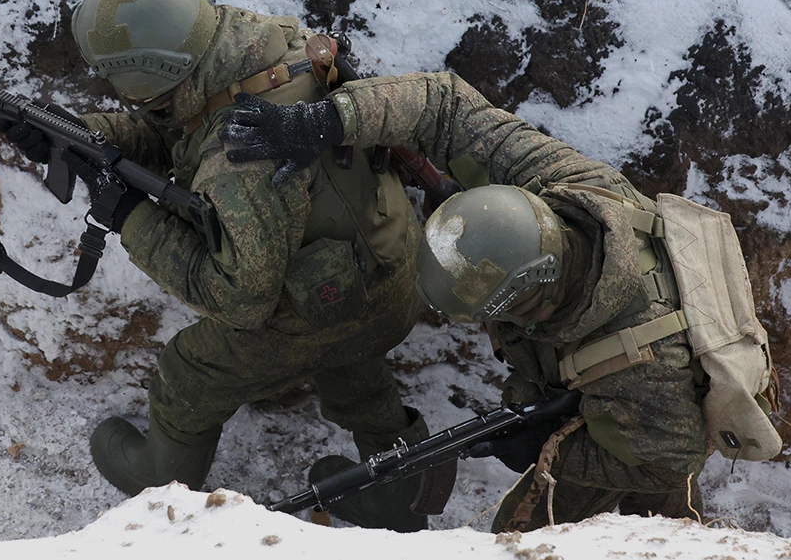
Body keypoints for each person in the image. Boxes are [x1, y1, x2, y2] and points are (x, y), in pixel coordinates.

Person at [0, 0, 433, 532]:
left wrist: (130, 216)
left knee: (188, 373)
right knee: (356, 370)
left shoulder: (239, 159)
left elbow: (242, 300)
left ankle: (159, 479)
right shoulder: (263, 50)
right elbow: (182, 130)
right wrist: (78, 134)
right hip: (393, 269)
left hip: (327, 308)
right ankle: (399, 495)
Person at [218, 71, 713, 531]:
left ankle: (679, 532)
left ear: (526, 296)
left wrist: (547, 447)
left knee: (523, 537)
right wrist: (330, 119)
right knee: (656, 494)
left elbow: (672, 460)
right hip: (632, 391)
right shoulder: (556, 178)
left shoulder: (642, 363)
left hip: (657, 409)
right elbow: (446, 104)